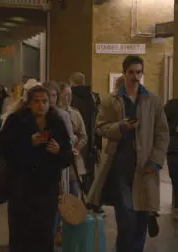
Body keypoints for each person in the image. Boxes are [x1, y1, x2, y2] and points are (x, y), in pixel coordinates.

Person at [89, 55, 169, 252]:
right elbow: (100, 128)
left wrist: (156, 161)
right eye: (131, 72)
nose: (135, 76)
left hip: (145, 167)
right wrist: (120, 127)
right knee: (126, 218)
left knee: (141, 216)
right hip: (120, 165)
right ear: (124, 73)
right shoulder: (111, 101)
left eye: (138, 72)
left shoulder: (152, 101)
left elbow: (162, 133)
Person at [0, 85, 73, 252]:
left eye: (44, 101)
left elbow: (68, 155)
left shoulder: (56, 121)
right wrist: (29, 143)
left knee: (45, 233)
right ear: (29, 103)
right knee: (21, 234)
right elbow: (5, 150)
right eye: (36, 101)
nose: (41, 105)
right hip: (21, 187)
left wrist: (59, 151)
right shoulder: (16, 120)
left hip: (47, 188)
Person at [69, 72, 102, 195]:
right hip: (89, 138)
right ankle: (89, 197)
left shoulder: (72, 98)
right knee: (89, 169)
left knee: (75, 171)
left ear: (72, 82)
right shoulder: (92, 97)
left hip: (76, 137)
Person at [59, 83, 88, 197]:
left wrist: (77, 147)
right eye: (66, 95)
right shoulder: (55, 113)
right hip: (60, 159)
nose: (69, 98)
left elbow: (84, 136)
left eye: (70, 95)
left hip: (74, 161)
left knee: (75, 191)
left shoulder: (75, 114)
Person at [165, 98, 178, 219]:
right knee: (175, 178)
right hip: (174, 149)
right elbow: (162, 125)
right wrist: (174, 128)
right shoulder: (172, 105)